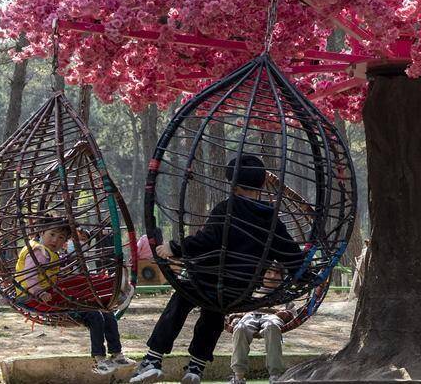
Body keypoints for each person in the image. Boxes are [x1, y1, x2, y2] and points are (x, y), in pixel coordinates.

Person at [131, 154, 308, 384]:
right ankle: (196, 367)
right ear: (262, 185)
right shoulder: (271, 220)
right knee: (215, 310)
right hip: (238, 288)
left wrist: (173, 247)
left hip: (203, 280)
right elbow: (290, 254)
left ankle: (153, 360)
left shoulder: (225, 209)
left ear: (233, 185)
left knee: (181, 300)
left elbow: (205, 240)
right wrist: (306, 276)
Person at [15, 218, 130, 375]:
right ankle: (100, 360)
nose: (55, 240)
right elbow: (30, 275)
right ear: (42, 232)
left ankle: (117, 353)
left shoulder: (48, 251)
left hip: (48, 292)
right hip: (33, 297)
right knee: (92, 309)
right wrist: (39, 292)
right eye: (52, 234)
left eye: (61, 237)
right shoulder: (38, 251)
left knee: (102, 307)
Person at [226, 268, 296, 384]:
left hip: (273, 316)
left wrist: (285, 314)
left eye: (277, 273)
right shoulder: (250, 292)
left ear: (283, 277)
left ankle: (275, 375)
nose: (272, 276)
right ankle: (238, 376)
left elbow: (293, 313)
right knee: (240, 328)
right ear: (261, 274)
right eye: (268, 272)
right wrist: (235, 317)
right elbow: (238, 308)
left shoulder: (285, 294)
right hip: (250, 315)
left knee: (272, 326)